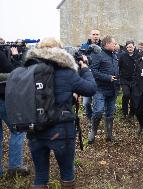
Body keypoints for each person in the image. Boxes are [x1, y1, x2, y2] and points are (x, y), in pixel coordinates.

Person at [25, 37, 96, 188]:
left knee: (40, 175)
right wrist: (85, 68)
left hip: (34, 128)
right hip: (61, 130)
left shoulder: (28, 70)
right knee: (67, 172)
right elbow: (90, 89)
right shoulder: (66, 73)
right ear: (59, 51)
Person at [0, 40, 29, 177]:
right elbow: (17, 72)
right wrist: (16, 56)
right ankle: (15, 166)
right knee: (17, 130)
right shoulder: (1, 55)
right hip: (3, 98)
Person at [89, 36, 119, 143]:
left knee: (110, 113)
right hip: (100, 89)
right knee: (98, 111)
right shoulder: (98, 55)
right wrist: (108, 77)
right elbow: (93, 71)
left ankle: (109, 135)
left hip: (112, 90)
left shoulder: (115, 56)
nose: (115, 45)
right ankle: (93, 132)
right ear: (107, 44)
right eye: (114, 43)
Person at [81, 29, 102, 134]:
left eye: (97, 34)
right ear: (90, 35)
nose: (95, 36)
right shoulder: (84, 47)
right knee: (86, 103)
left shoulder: (103, 47)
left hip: (99, 80)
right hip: (87, 79)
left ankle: (95, 122)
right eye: (93, 34)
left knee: (98, 104)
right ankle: (90, 118)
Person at [119, 40, 142, 119]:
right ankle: (124, 112)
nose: (130, 48)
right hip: (124, 79)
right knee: (126, 94)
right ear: (126, 47)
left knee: (133, 97)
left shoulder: (138, 55)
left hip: (134, 80)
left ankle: (132, 113)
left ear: (134, 47)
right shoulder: (122, 56)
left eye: (131, 47)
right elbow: (119, 66)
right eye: (128, 47)